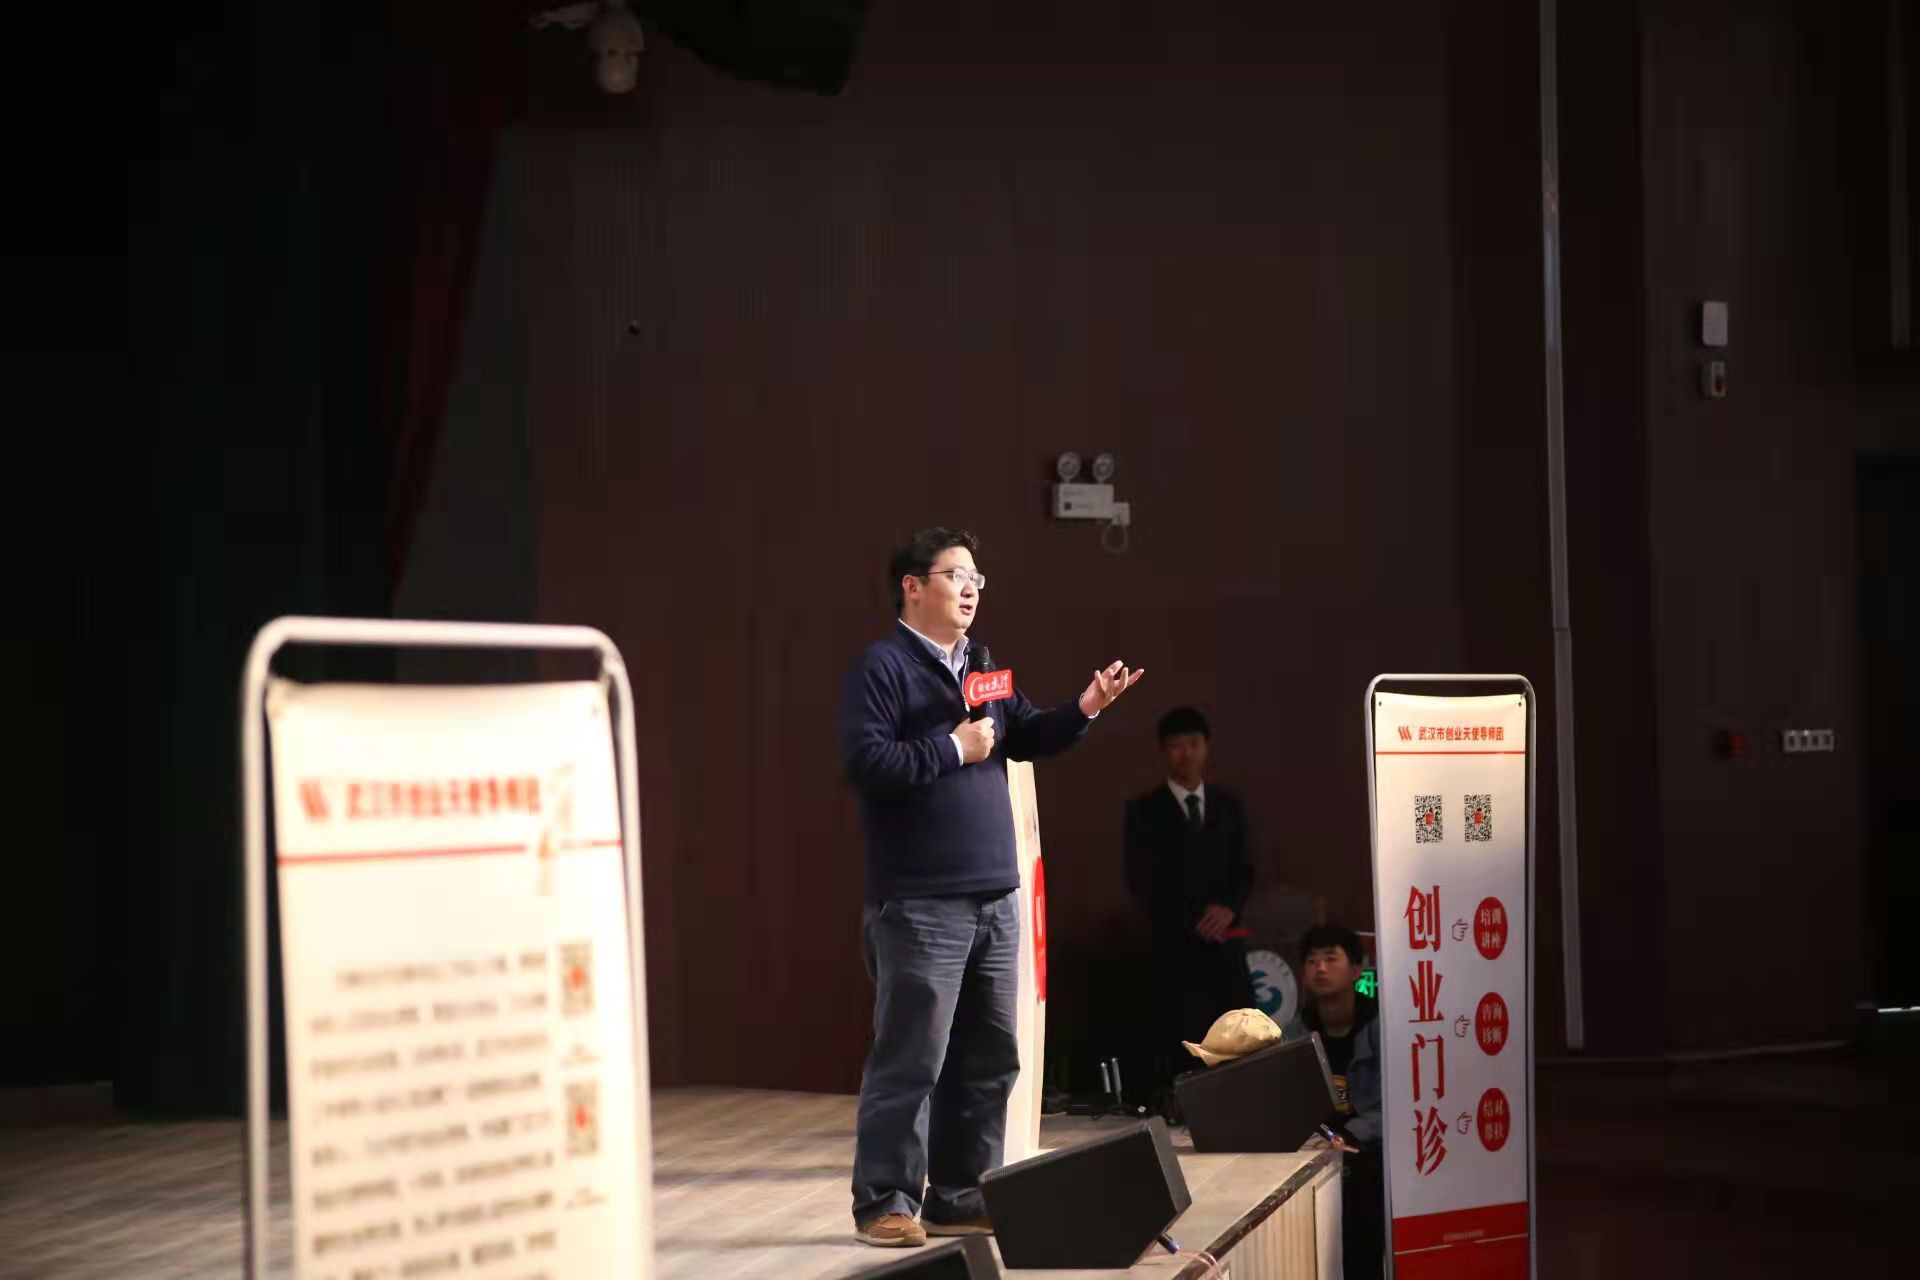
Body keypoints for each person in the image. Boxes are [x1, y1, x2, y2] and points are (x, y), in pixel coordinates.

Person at [840, 526, 1144, 1249]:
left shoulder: (981, 664)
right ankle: (885, 1202)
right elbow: (866, 763)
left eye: (977, 578)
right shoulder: (881, 667)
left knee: (989, 1056)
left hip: (994, 896)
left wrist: (1087, 707)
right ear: (913, 586)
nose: (971, 589)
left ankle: (958, 1194)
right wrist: (953, 747)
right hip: (920, 900)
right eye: (956, 575)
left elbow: (1026, 733)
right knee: (912, 1058)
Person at [1123, 706, 1255, 1107]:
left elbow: (1245, 868)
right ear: (1164, 751)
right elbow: (1140, 880)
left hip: (1225, 941)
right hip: (1174, 945)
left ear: (1206, 747)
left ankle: (1238, 1102)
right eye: (1176, 746)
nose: (1186, 754)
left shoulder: (1228, 805)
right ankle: (1183, 1104)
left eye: (1193, 744)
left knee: (1234, 1027)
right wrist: (1191, 919)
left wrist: (1228, 908)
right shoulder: (1144, 810)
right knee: (1180, 1029)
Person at [1285, 924, 1383, 1280]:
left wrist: (1352, 1134)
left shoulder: (1381, 1026)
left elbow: (1397, 1106)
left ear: (1356, 970)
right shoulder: (1296, 1032)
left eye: (1330, 959)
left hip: (1367, 1151)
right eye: (1312, 961)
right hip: (1317, 1149)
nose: (1320, 969)